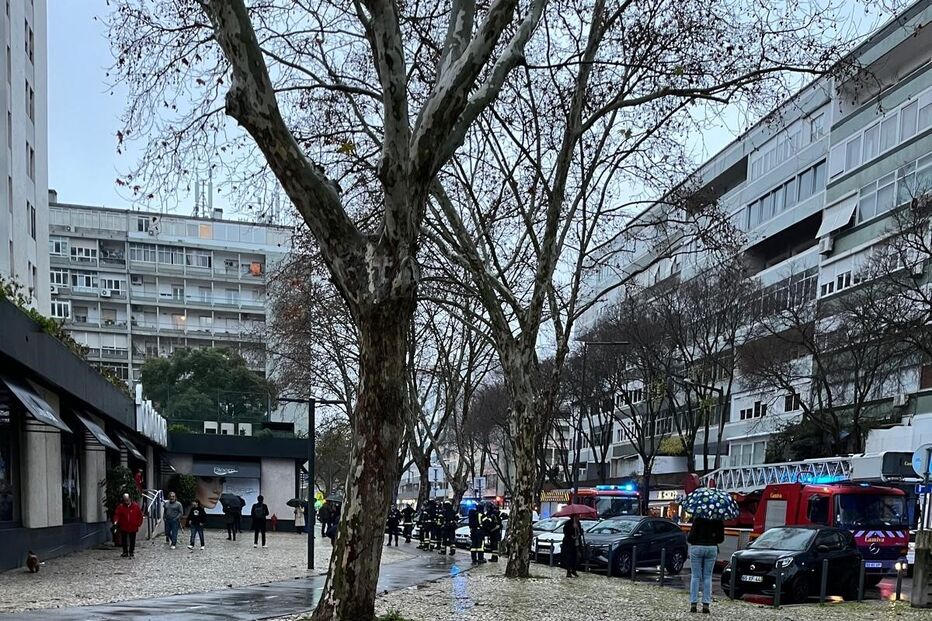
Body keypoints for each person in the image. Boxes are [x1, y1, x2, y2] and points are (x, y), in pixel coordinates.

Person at [687, 516, 724, 614]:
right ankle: (706, 604)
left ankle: (693, 603)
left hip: (697, 547)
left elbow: (691, 538)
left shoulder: (698, 518)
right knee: (708, 576)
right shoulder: (718, 519)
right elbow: (721, 539)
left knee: (695, 576)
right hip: (711, 548)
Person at [113, 493, 143, 558]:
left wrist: (138, 523)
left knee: (132, 540)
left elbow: (140, 515)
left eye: (127, 499)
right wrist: (116, 521)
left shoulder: (135, 506)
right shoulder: (121, 507)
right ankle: (125, 552)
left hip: (133, 526)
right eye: (125, 500)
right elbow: (117, 515)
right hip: (124, 526)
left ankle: (131, 552)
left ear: (130, 499)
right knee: (124, 540)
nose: (126, 501)